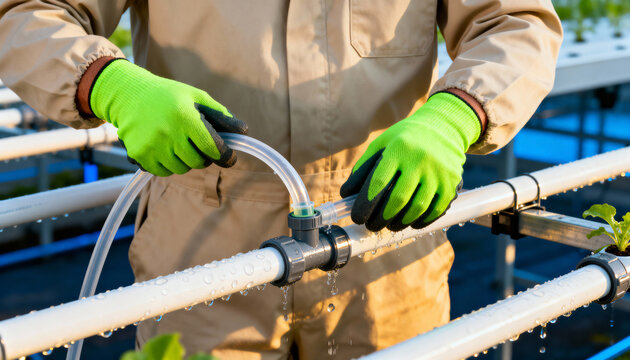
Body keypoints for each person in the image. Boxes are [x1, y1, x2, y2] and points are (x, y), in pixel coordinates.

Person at [0, 1, 562, 359]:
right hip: (202, 234)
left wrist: (457, 114)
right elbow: (27, 13)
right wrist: (108, 83)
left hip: (379, 223)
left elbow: (515, 21)